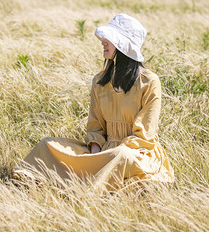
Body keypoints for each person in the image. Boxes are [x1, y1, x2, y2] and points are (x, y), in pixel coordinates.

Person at [11, 13, 174, 191]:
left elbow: (145, 135)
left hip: (136, 153)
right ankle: (30, 178)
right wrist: (95, 155)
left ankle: (86, 191)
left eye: (109, 39)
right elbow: (95, 127)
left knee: (121, 154)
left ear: (124, 45)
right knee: (48, 144)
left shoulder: (149, 82)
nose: (103, 42)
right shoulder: (100, 81)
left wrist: (110, 155)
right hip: (104, 151)